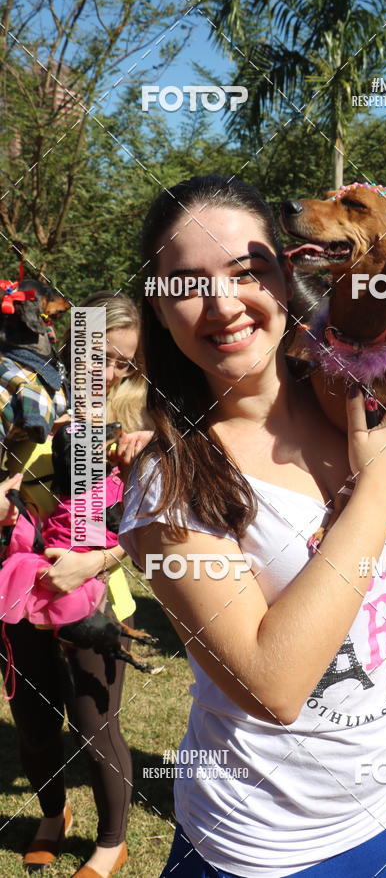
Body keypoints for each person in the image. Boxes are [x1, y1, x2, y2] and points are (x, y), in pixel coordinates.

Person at [119, 174, 386, 877]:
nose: (223, 303)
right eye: (186, 283)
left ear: (285, 273)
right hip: (270, 845)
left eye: (247, 270)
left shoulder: (356, 400)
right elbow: (274, 686)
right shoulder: (169, 484)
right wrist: (378, 490)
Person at [0, 290, 147, 877]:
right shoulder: (30, 407)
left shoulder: (141, 426)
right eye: (98, 354)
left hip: (96, 605)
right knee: (34, 724)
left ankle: (111, 842)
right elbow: (17, 487)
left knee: (94, 726)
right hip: (23, 594)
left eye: (123, 362)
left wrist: (96, 562)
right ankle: (52, 816)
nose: (107, 371)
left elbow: (155, 534)